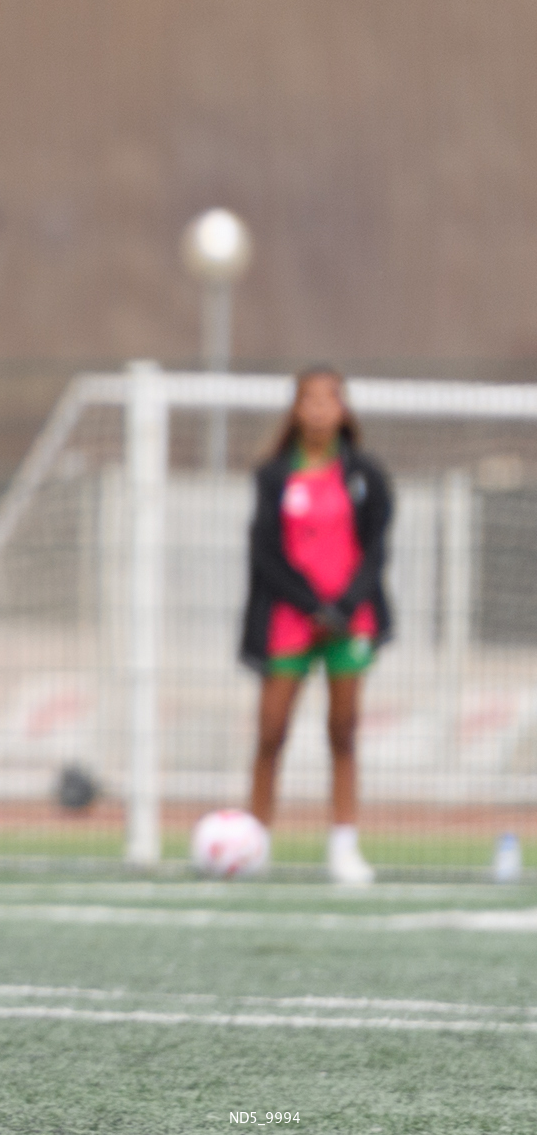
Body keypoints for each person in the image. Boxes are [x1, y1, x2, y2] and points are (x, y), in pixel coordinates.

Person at [239, 365, 393, 886]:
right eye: (310, 400)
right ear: (296, 409)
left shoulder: (365, 475)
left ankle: (344, 846)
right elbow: (265, 552)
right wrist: (309, 604)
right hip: (289, 618)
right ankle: (254, 843)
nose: (320, 409)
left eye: (330, 399)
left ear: (343, 408)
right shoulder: (274, 475)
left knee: (343, 732)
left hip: (349, 620)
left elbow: (375, 550)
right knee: (271, 731)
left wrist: (343, 607)